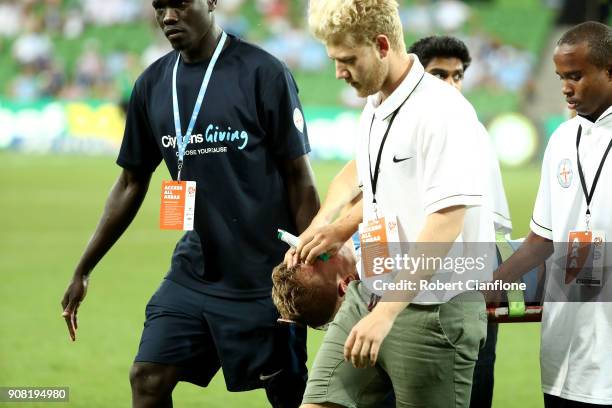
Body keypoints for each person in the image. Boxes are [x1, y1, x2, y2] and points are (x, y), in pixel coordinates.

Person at [60, 1, 320, 407]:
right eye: (159, 6)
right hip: (194, 272)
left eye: (180, 4)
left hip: (265, 278)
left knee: (286, 391)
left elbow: (299, 180)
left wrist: (313, 264)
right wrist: (84, 268)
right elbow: (131, 181)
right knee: (147, 378)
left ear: (212, 2)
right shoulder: (151, 84)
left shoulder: (263, 73)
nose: (167, 16)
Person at [285, 34, 510, 408]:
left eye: (348, 59)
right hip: (373, 289)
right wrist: (330, 225)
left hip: (434, 302)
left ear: (383, 48)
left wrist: (388, 309)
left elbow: (445, 218)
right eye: (441, 73)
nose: (339, 72)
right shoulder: (377, 106)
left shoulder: (447, 115)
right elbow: (367, 181)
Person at [493, 21, 612, 408]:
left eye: (575, 76)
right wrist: (484, 290)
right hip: (562, 357)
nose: (565, 87)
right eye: (561, 76)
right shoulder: (561, 140)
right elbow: (539, 242)